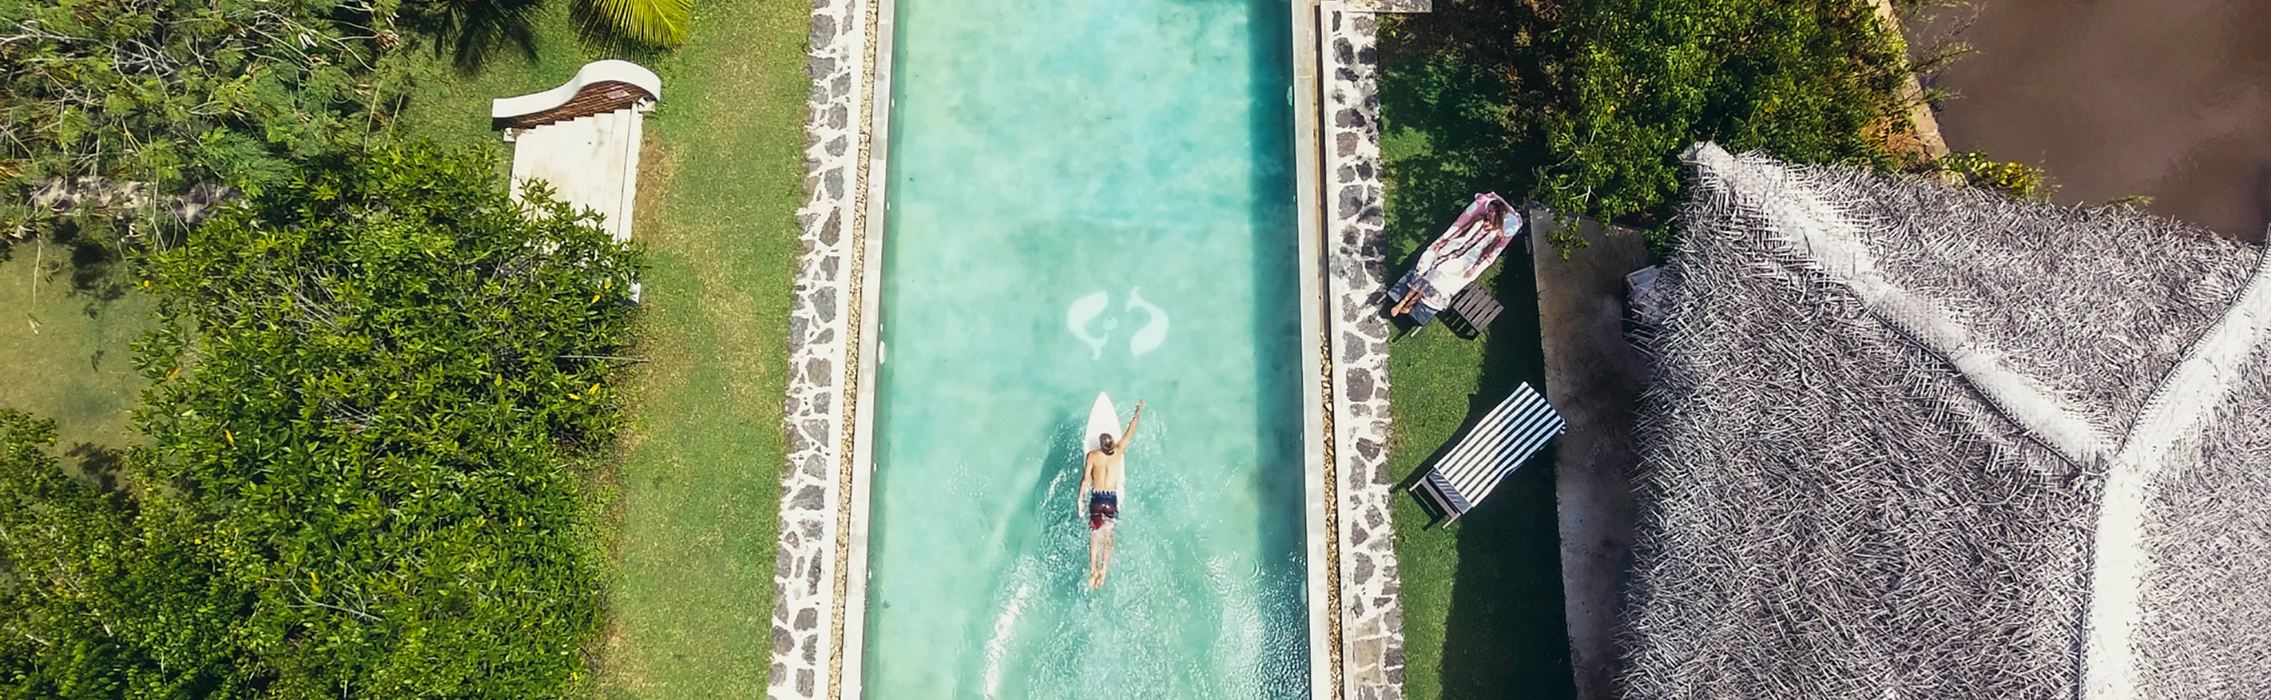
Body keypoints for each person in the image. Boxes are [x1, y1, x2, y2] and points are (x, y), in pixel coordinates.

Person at [1079, 399, 1143, 590]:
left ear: (1100, 444)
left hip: (1097, 498)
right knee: (1108, 537)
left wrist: (1080, 499)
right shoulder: (1119, 451)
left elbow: (1085, 480)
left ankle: (1093, 570)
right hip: (1111, 499)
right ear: (1112, 444)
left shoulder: (1092, 456)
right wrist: (1137, 413)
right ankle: (1104, 570)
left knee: (1094, 536)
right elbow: (1130, 433)